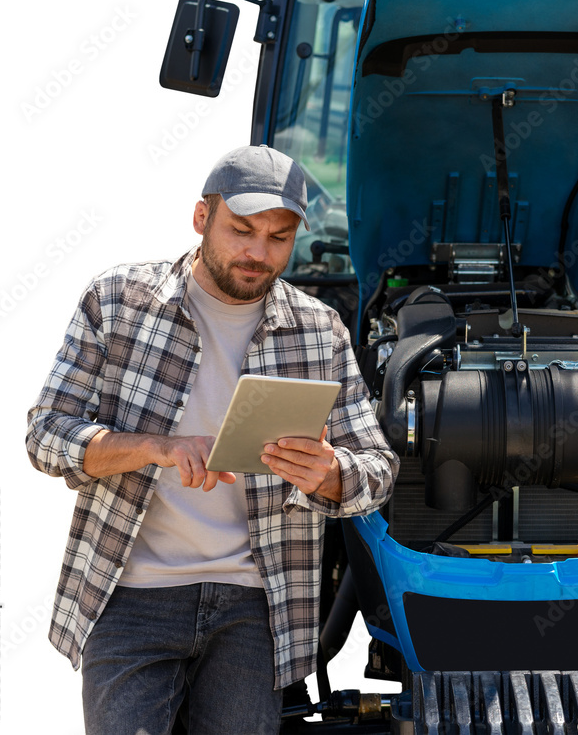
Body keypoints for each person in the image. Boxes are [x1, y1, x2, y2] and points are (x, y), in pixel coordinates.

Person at [25, 145, 398, 735]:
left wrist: (330, 473)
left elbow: (377, 469)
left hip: (255, 605)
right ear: (202, 218)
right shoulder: (119, 301)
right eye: (241, 230)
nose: (257, 253)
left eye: (278, 238)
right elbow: (46, 436)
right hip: (129, 595)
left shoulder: (320, 330)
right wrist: (155, 447)